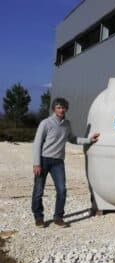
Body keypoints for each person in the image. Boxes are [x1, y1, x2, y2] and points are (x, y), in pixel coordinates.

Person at [32, 97, 100, 228]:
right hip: (44, 160)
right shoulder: (45, 123)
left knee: (62, 190)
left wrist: (89, 140)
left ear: (66, 109)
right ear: (54, 109)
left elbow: (73, 139)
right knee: (38, 191)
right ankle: (38, 217)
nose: (61, 110)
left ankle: (58, 217)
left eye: (63, 107)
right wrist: (36, 163)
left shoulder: (67, 124)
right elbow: (37, 143)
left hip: (58, 162)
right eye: (58, 107)